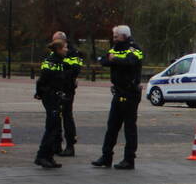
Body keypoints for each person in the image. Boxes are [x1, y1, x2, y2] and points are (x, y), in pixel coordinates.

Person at [92, 25, 144, 170]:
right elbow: (103, 60)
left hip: (130, 93)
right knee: (112, 126)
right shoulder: (115, 48)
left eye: (116, 36)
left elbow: (130, 61)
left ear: (124, 36)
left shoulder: (134, 48)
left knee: (129, 128)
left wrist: (114, 60)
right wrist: (113, 60)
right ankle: (106, 156)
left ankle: (129, 159)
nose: (113, 39)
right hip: (118, 92)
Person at [33, 39, 67, 169]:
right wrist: (40, 93)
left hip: (55, 96)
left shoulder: (58, 61)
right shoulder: (51, 62)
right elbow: (42, 80)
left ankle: (49, 156)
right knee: (51, 127)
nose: (66, 50)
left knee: (56, 127)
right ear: (58, 49)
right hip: (51, 97)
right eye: (65, 48)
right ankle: (41, 156)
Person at [51, 31, 84, 157]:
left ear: (63, 41)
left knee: (67, 116)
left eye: (56, 41)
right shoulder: (54, 52)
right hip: (56, 88)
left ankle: (70, 145)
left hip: (67, 88)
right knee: (56, 117)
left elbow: (75, 69)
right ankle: (56, 144)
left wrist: (62, 73)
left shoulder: (73, 53)